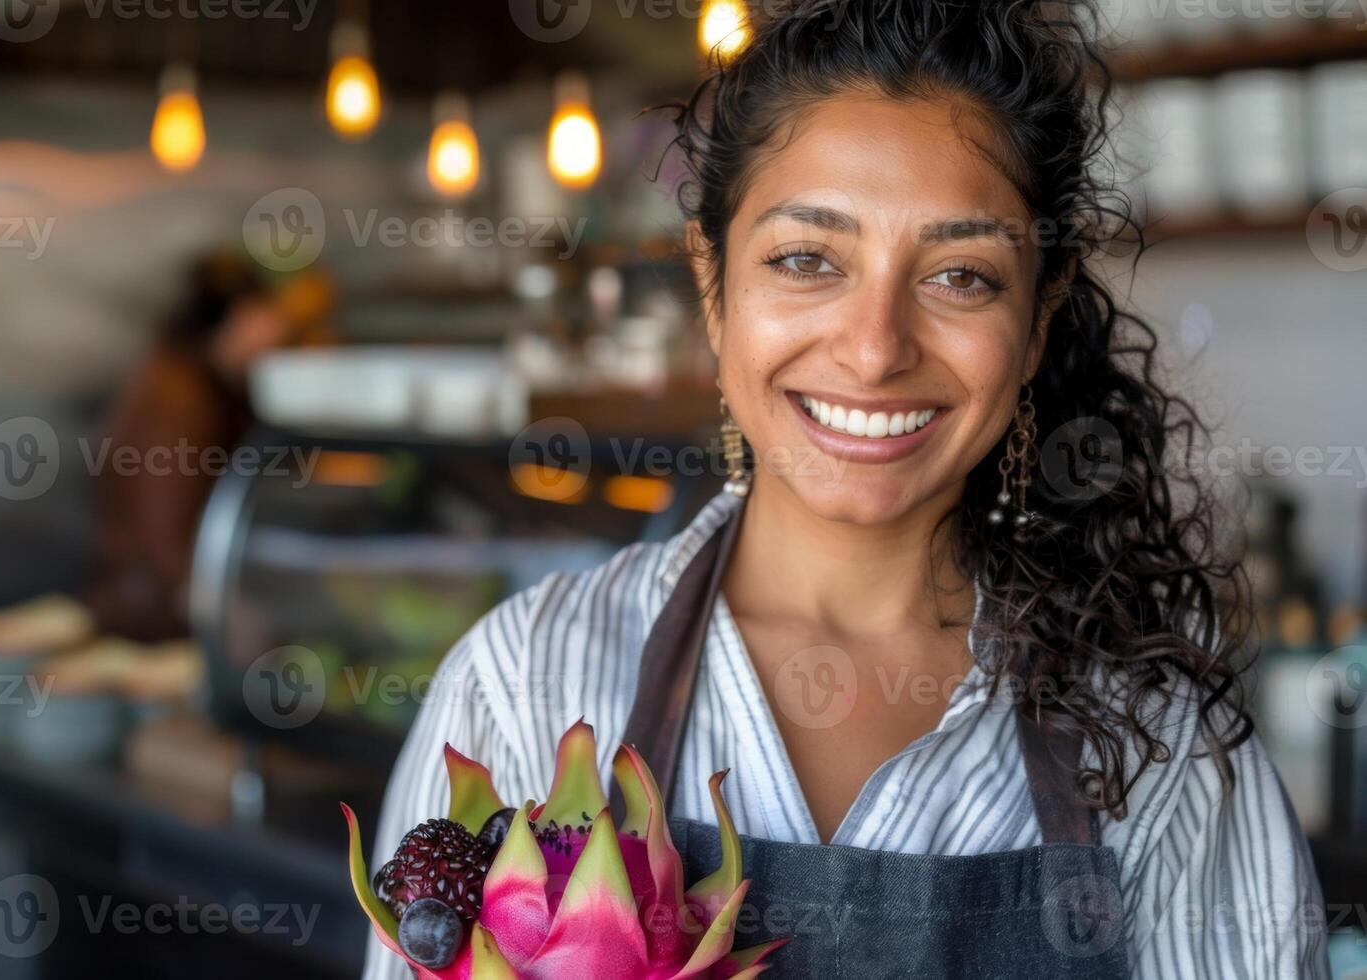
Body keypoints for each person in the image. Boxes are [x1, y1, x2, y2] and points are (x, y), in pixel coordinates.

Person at [365, 1, 1327, 977]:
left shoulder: (1161, 748)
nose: (874, 350)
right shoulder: (525, 683)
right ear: (713, 283)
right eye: (805, 259)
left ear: (1039, 318)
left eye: (961, 275)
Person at [84, 251, 291, 642]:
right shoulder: (180, 399)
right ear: (240, 316)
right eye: (268, 316)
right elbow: (164, 531)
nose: (276, 334)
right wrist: (226, 613)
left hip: (142, 605)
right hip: (151, 620)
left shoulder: (179, 377)